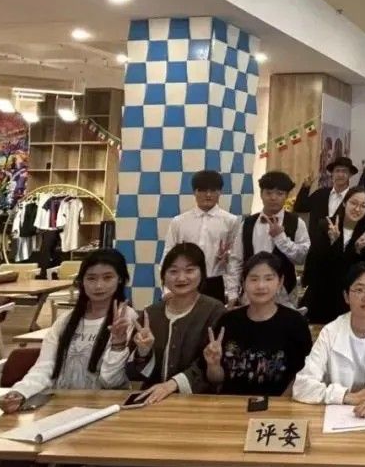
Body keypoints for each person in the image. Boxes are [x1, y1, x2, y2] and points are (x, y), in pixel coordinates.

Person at [0, 250, 137, 412]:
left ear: (120, 279)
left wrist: (118, 345)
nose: (99, 286)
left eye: (107, 278)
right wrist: (20, 392)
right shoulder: (66, 320)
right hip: (60, 405)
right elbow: (45, 367)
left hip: (104, 407)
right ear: (81, 281)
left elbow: (112, 382)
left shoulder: (127, 319)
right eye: (91, 278)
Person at [293, 263, 365, 416]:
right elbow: (302, 386)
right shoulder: (330, 332)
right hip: (337, 416)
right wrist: (345, 396)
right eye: (359, 290)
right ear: (346, 296)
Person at [204, 252, 313, 396]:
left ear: (280, 282)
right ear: (244, 282)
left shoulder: (295, 323)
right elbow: (216, 380)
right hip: (232, 405)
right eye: (254, 279)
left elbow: (303, 377)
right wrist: (213, 365)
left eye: (268, 278)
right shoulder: (228, 321)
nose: (261, 286)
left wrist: (278, 405)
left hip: (277, 405)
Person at [128, 244, 225, 403]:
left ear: (202, 273)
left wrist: (173, 384)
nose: (181, 278)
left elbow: (212, 367)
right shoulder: (150, 314)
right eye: (173, 271)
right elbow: (133, 374)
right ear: (164, 276)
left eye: (189, 270)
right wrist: (143, 352)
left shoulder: (215, 311)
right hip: (153, 401)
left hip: (199, 402)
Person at [227, 171, 310, 307]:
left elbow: (302, 257)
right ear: (261, 194)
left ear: (286, 196)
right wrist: (232, 294)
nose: (273, 198)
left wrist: (281, 238)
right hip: (251, 292)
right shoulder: (247, 223)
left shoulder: (296, 222)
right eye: (269, 193)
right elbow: (236, 260)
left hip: (284, 295)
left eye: (279, 194)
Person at [161, 170, 238, 303]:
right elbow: (168, 255)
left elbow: (235, 259)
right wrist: (167, 290)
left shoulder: (231, 221)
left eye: (213, 190)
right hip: (185, 280)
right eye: (202, 190)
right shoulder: (179, 221)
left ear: (220, 192)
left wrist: (232, 293)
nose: (208, 195)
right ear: (194, 192)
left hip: (215, 282)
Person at [301, 187, 365, 323]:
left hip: (347, 300)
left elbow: (360, 273)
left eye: (363, 206)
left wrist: (357, 251)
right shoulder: (326, 225)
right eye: (354, 203)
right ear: (345, 203)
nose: (357, 209)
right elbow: (314, 263)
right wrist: (332, 242)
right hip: (321, 295)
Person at [294, 156, 357, 243]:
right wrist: (305, 188)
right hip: (317, 246)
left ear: (350, 175)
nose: (340, 175)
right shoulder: (320, 194)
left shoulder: (354, 198)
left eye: (344, 171)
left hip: (342, 246)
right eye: (337, 171)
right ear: (332, 174)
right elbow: (299, 207)